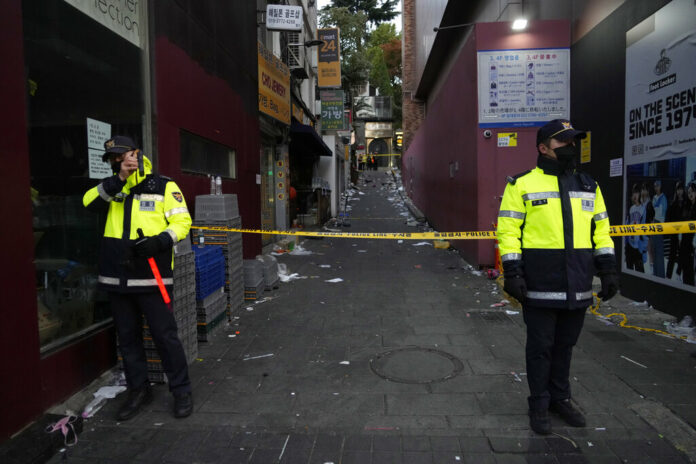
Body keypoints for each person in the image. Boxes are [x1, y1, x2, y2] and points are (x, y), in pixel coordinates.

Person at [497, 119, 618, 435]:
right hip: (538, 285)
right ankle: (538, 403)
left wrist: (607, 271)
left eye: (573, 142)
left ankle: (559, 399)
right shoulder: (521, 185)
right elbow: (508, 232)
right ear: (543, 148)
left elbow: (601, 231)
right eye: (563, 143)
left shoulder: (589, 185)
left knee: (565, 347)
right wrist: (512, 273)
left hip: (576, 285)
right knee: (540, 348)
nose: (571, 148)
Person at [83, 136, 194, 420]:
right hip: (117, 279)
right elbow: (88, 203)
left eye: (122, 156)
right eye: (113, 158)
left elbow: (183, 222)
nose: (117, 161)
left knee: (165, 337)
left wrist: (160, 241)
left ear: (136, 154)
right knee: (128, 340)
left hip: (151, 278)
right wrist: (119, 179)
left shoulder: (163, 185)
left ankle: (181, 391)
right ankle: (138, 390)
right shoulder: (111, 187)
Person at [625, 184, 647, 272]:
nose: (635, 195)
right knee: (629, 271)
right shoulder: (631, 209)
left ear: (639, 194)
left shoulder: (643, 209)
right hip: (630, 245)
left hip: (639, 247)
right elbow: (626, 227)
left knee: (640, 272)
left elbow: (645, 230)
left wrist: (644, 250)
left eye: (637, 193)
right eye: (633, 193)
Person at [666, 181, 685, 279]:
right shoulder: (673, 204)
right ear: (676, 191)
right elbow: (668, 219)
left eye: (681, 189)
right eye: (678, 189)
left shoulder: (686, 203)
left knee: (683, 255)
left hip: (684, 234)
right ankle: (668, 276)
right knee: (672, 255)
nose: (680, 191)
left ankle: (679, 274)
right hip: (674, 234)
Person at [679, 182, 696, 285]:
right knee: (687, 269)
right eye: (689, 192)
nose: (691, 194)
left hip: (693, 244)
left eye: (693, 191)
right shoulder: (687, 206)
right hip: (686, 243)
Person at [651, 180, 668, 277]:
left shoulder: (663, 198)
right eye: (655, 186)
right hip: (653, 225)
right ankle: (655, 273)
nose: (656, 188)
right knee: (654, 250)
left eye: (657, 186)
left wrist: (655, 210)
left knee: (659, 251)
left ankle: (661, 274)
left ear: (661, 187)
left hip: (660, 225)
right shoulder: (654, 198)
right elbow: (653, 211)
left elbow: (660, 213)